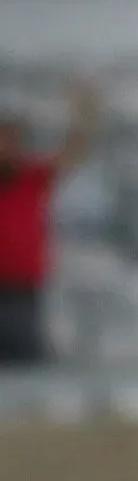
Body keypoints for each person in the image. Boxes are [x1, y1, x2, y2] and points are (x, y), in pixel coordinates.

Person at [0, 85, 96, 364]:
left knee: (26, 366)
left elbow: (70, 155)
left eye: (11, 141)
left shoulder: (31, 177)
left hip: (24, 292)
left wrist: (84, 115)